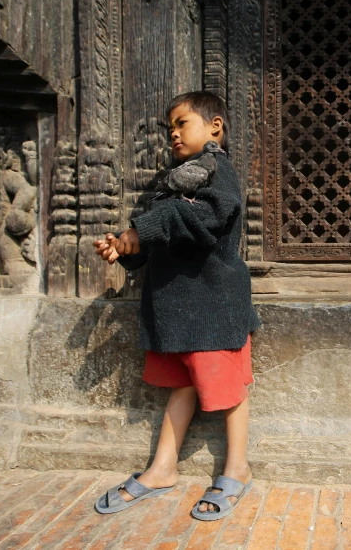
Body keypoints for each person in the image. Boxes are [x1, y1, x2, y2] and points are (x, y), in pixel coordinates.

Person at [92, 91, 260, 521]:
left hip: (214, 304)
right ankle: (163, 468)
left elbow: (204, 219)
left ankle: (237, 466)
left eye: (182, 123)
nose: (173, 133)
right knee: (181, 386)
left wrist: (142, 229)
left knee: (226, 388)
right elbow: (162, 235)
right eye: (170, 127)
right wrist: (128, 248)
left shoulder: (217, 170)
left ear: (214, 127)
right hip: (178, 311)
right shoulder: (175, 179)